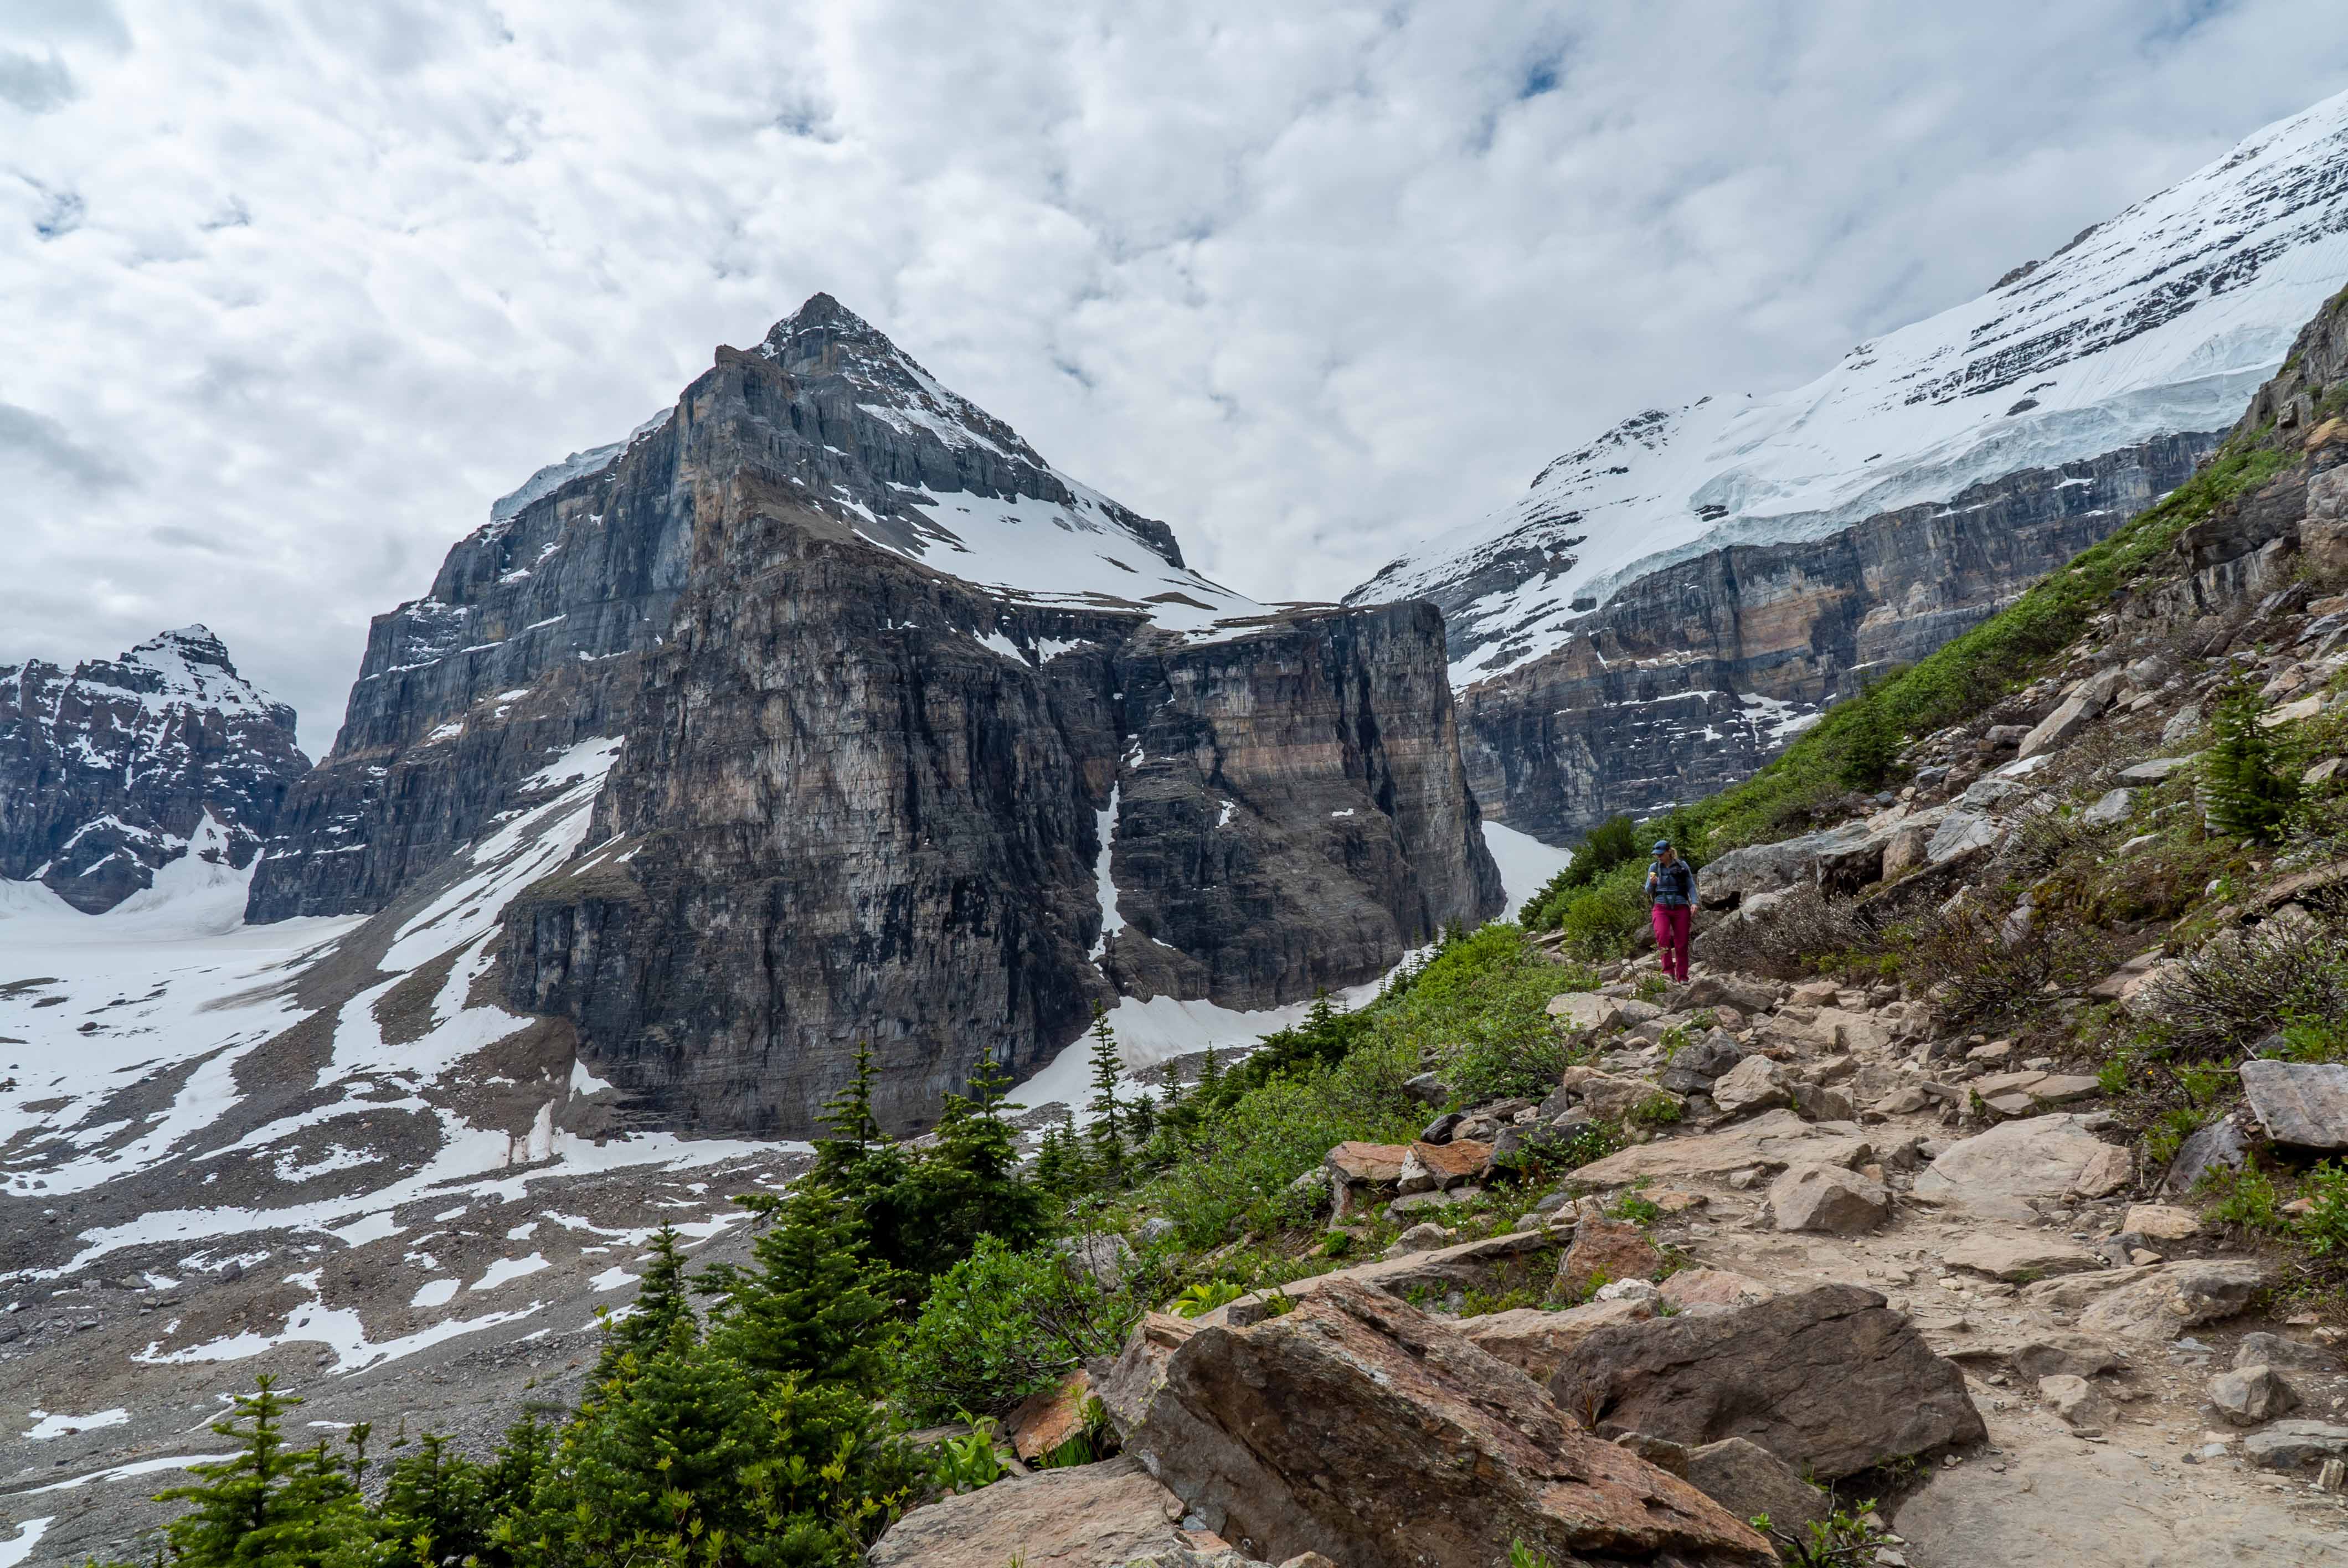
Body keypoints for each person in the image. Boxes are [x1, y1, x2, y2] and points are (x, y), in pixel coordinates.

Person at [1646, 839, 1695, 983]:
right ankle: (1668, 971)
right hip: (1661, 907)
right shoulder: (1654, 867)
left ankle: (1683, 977)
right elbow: (1648, 890)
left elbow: (1690, 885)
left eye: (1661, 854)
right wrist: (1653, 883)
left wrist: (1695, 902)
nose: (1658, 857)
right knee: (1663, 937)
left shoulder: (1682, 866)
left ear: (1668, 852)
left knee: (1682, 943)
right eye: (1656, 854)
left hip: (1681, 906)